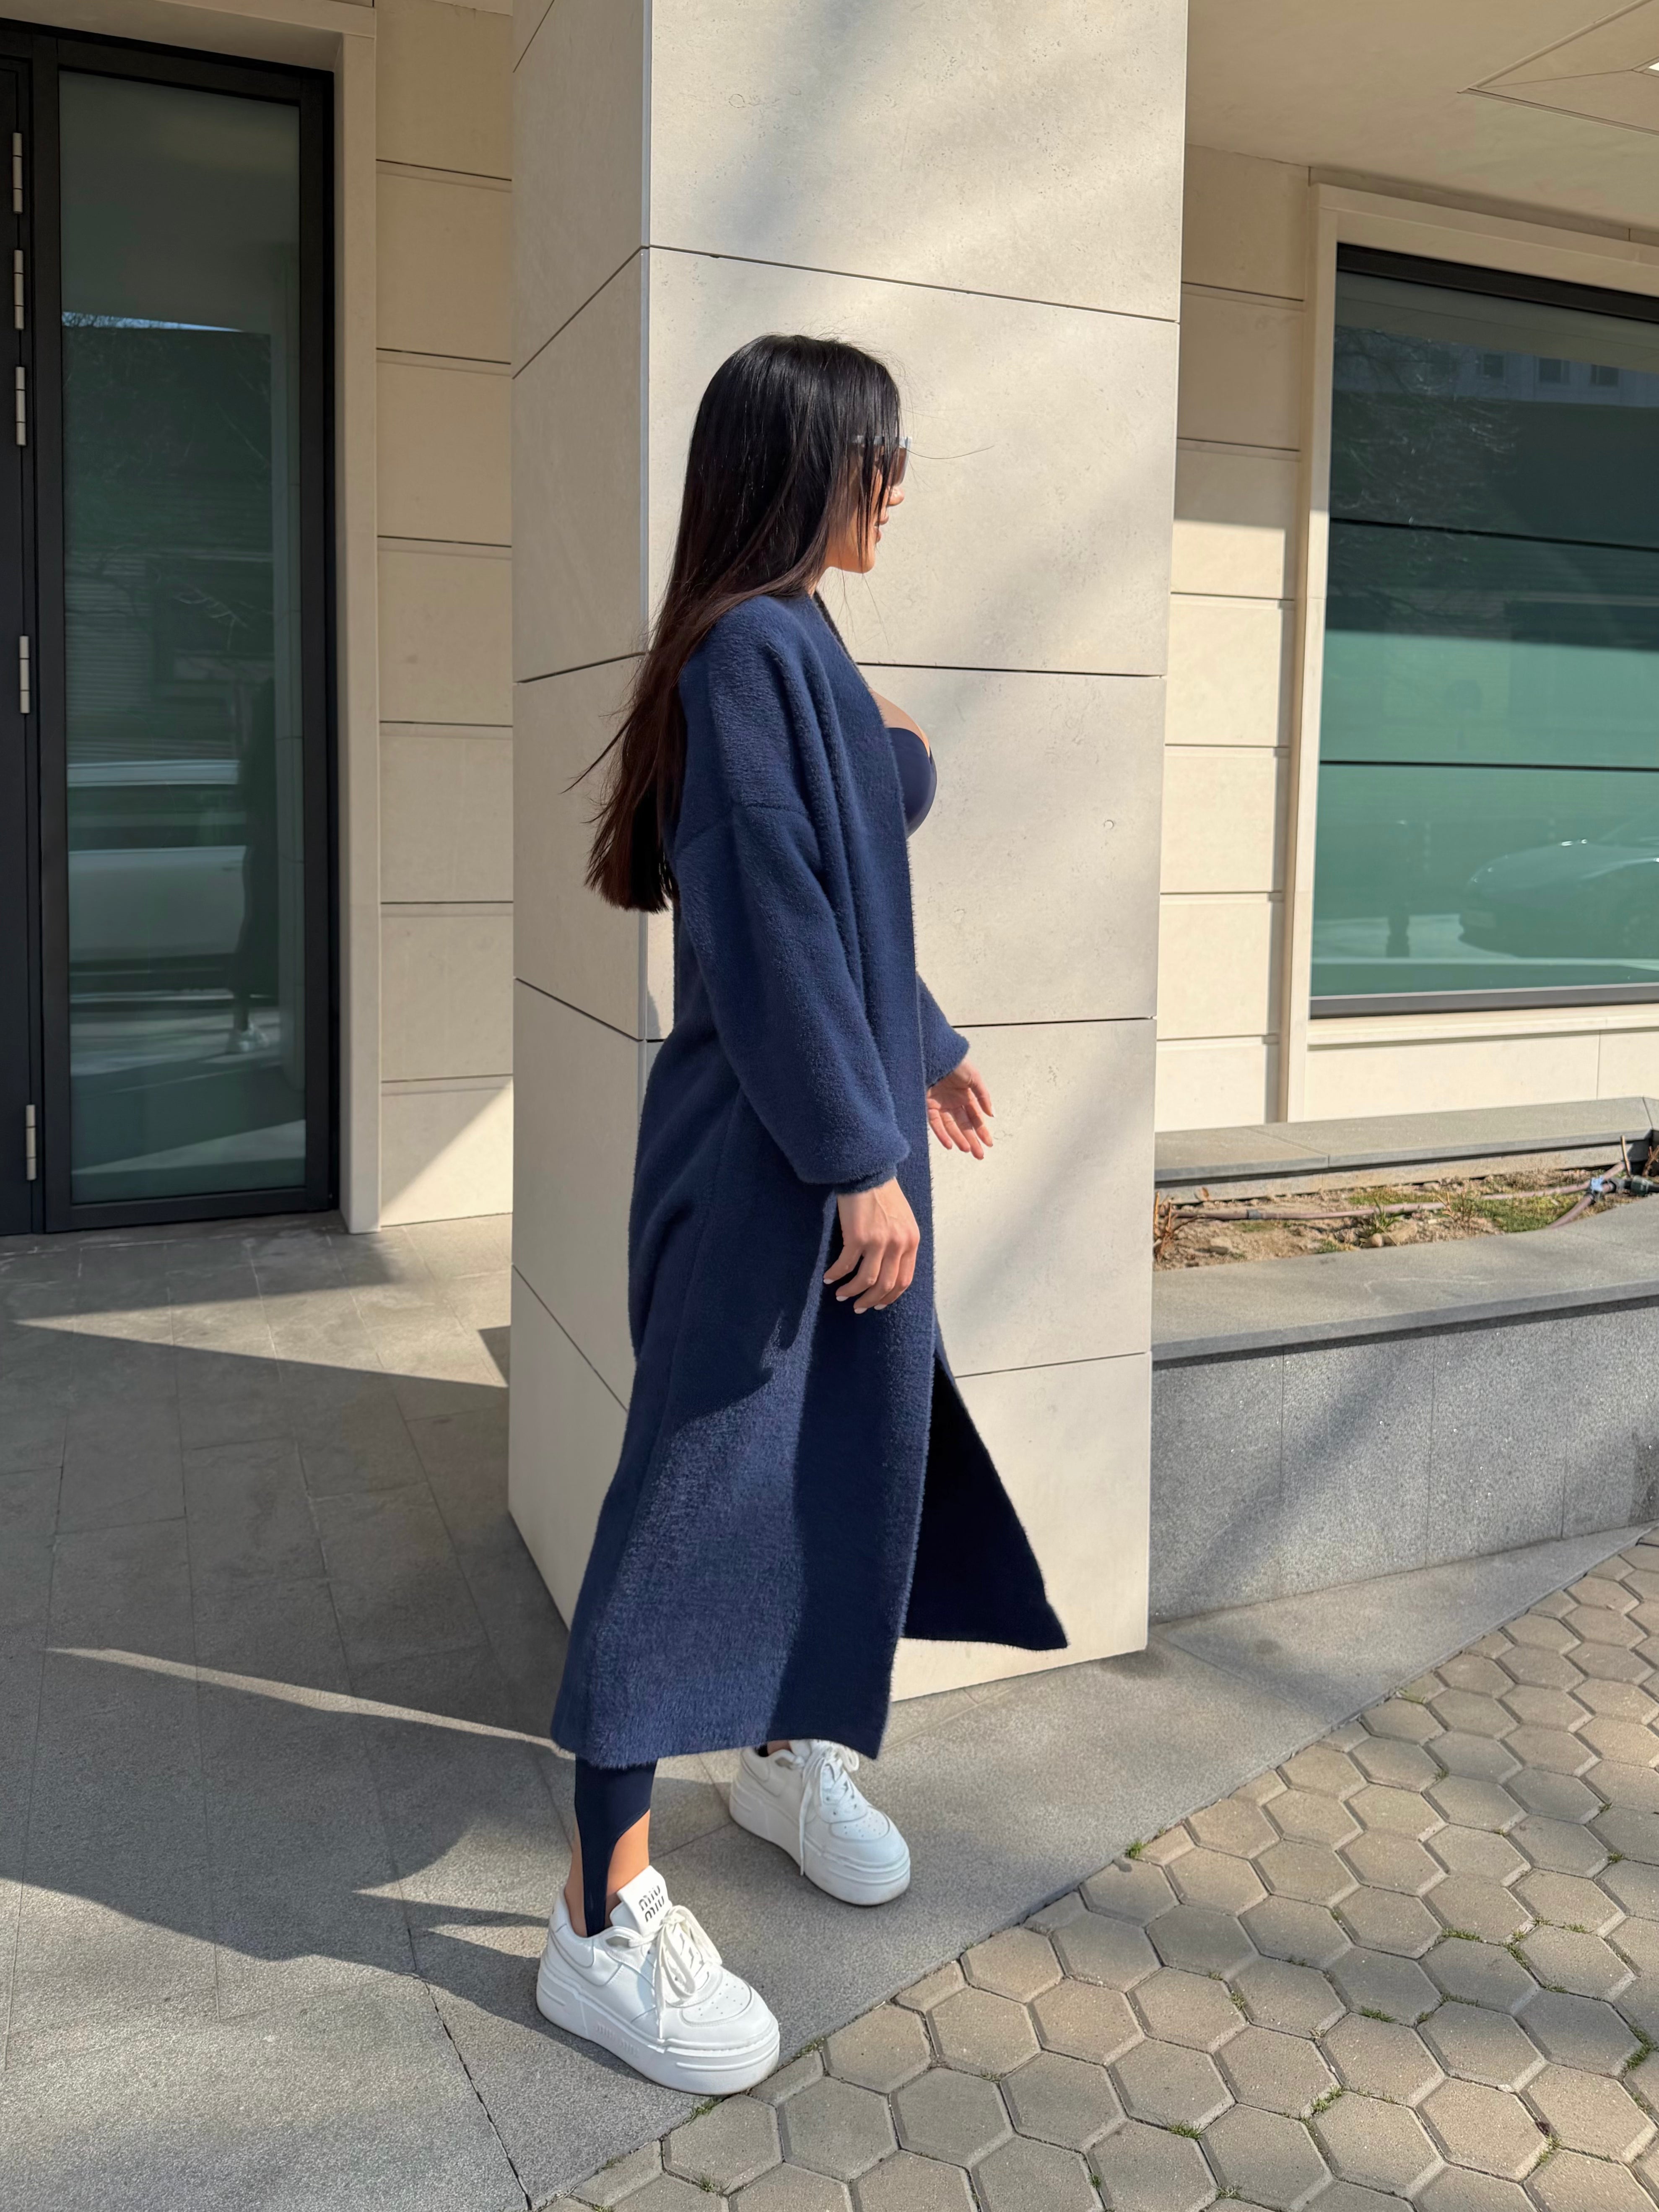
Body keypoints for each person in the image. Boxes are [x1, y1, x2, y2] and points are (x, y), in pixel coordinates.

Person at [535, 334, 1065, 2094]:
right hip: (766, 1160)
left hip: (832, 1128)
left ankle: (781, 1746)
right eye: (872, 460)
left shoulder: (797, 638)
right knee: (692, 1495)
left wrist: (927, 1046)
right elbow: (766, 919)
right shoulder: (749, 652)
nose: (894, 490)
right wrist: (853, 1153)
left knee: (827, 1457)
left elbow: (852, 906)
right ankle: (599, 1911)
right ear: (801, 467)